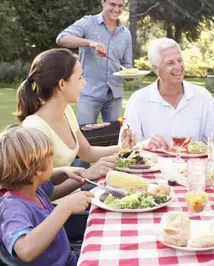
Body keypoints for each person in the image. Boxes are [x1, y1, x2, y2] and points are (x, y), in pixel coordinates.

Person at [16, 48, 135, 200]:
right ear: (62, 84)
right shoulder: (35, 128)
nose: (84, 83)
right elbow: (38, 194)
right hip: (54, 213)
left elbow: (87, 152)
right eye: (79, 78)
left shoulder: (66, 112)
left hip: (76, 199)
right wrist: (88, 175)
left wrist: (122, 149)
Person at [0, 126, 94, 265]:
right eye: (50, 159)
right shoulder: (12, 209)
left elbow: (48, 177)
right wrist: (64, 209)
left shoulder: (31, 188)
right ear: (37, 169)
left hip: (69, 260)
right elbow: (25, 251)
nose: (53, 163)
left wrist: (63, 171)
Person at [124, 37, 214, 149]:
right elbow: (127, 147)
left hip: (193, 165)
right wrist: (144, 145)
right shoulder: (138, 100)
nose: (178, 67)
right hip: (153, 165)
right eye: (170, 63)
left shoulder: (203, 97)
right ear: (156, 69)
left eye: (179, 60)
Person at [56, 0, 132, 125]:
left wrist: (129, 74)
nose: (116, 9)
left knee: (114, 135)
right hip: (89, 92)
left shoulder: (126, 34)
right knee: (85, 135)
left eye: (120, 6)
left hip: (115, 95)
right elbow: (62, 38)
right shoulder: (88, 23)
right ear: (103, 2)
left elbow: (127, 64)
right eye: (112, 4)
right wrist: (89, 42)